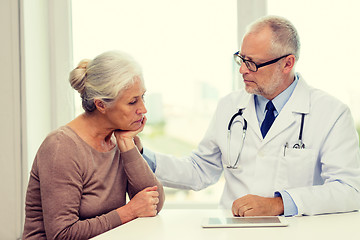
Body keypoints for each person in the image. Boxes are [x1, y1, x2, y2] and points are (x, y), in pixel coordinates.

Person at [140, 15, 360, 217]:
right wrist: (140, 154)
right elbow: (199, 170)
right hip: (234, 229)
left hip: (295, 231)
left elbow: (349, 190)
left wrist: (279, 204)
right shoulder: (229, 106)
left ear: (287, 63)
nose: (242, 70)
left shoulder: (331, 113)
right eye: (241, 59)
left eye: (252, 63)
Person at [22, 50, 164, 239]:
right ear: (101, 105)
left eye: (142, 97)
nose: (143, 109)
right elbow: (62, 235)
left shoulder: (123, 140)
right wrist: (128, 212)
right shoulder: (61, 147)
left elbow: (153, 204)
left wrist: (126, 144)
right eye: (132, 102)